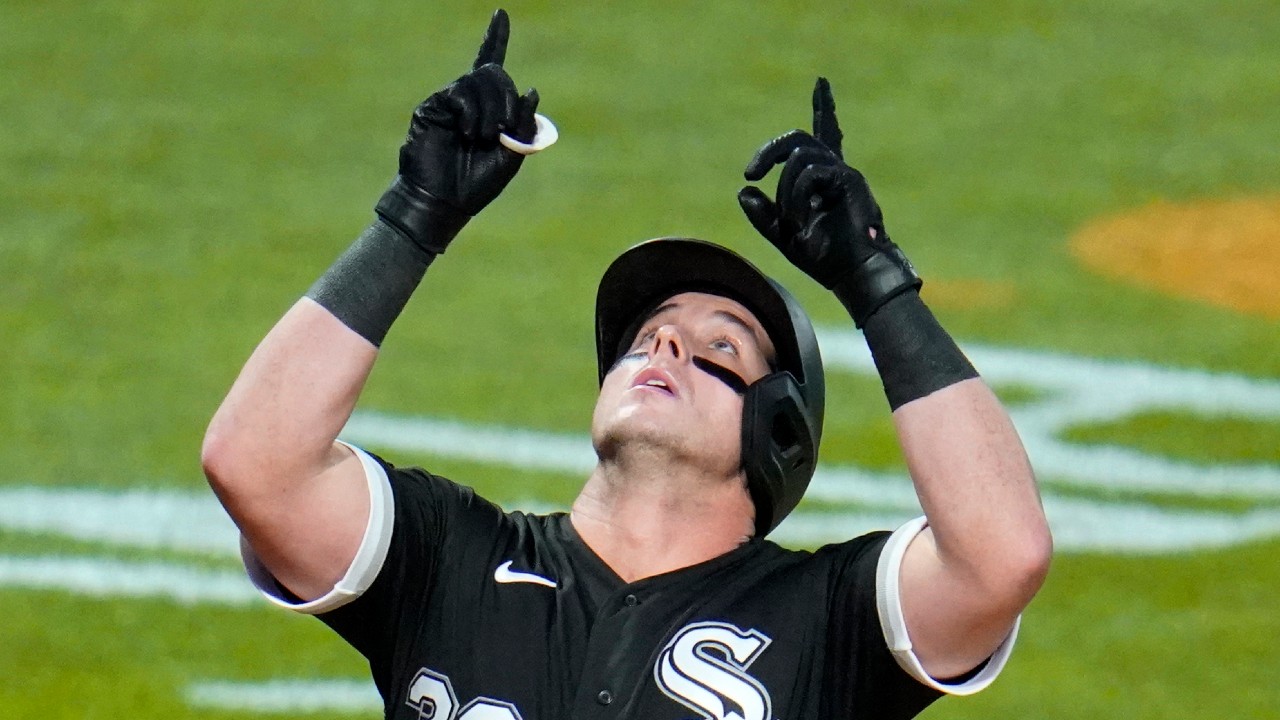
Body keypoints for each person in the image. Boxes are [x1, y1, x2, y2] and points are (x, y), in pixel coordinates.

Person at [201, 9, 1052, 719]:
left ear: (780, 432)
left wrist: (879, 289)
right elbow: (256, 465)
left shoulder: (825, 620)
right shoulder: (449, 559)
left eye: (721, 345)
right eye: (648, 334)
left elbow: (1000, 557)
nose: (667, 343)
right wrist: (411, 218)